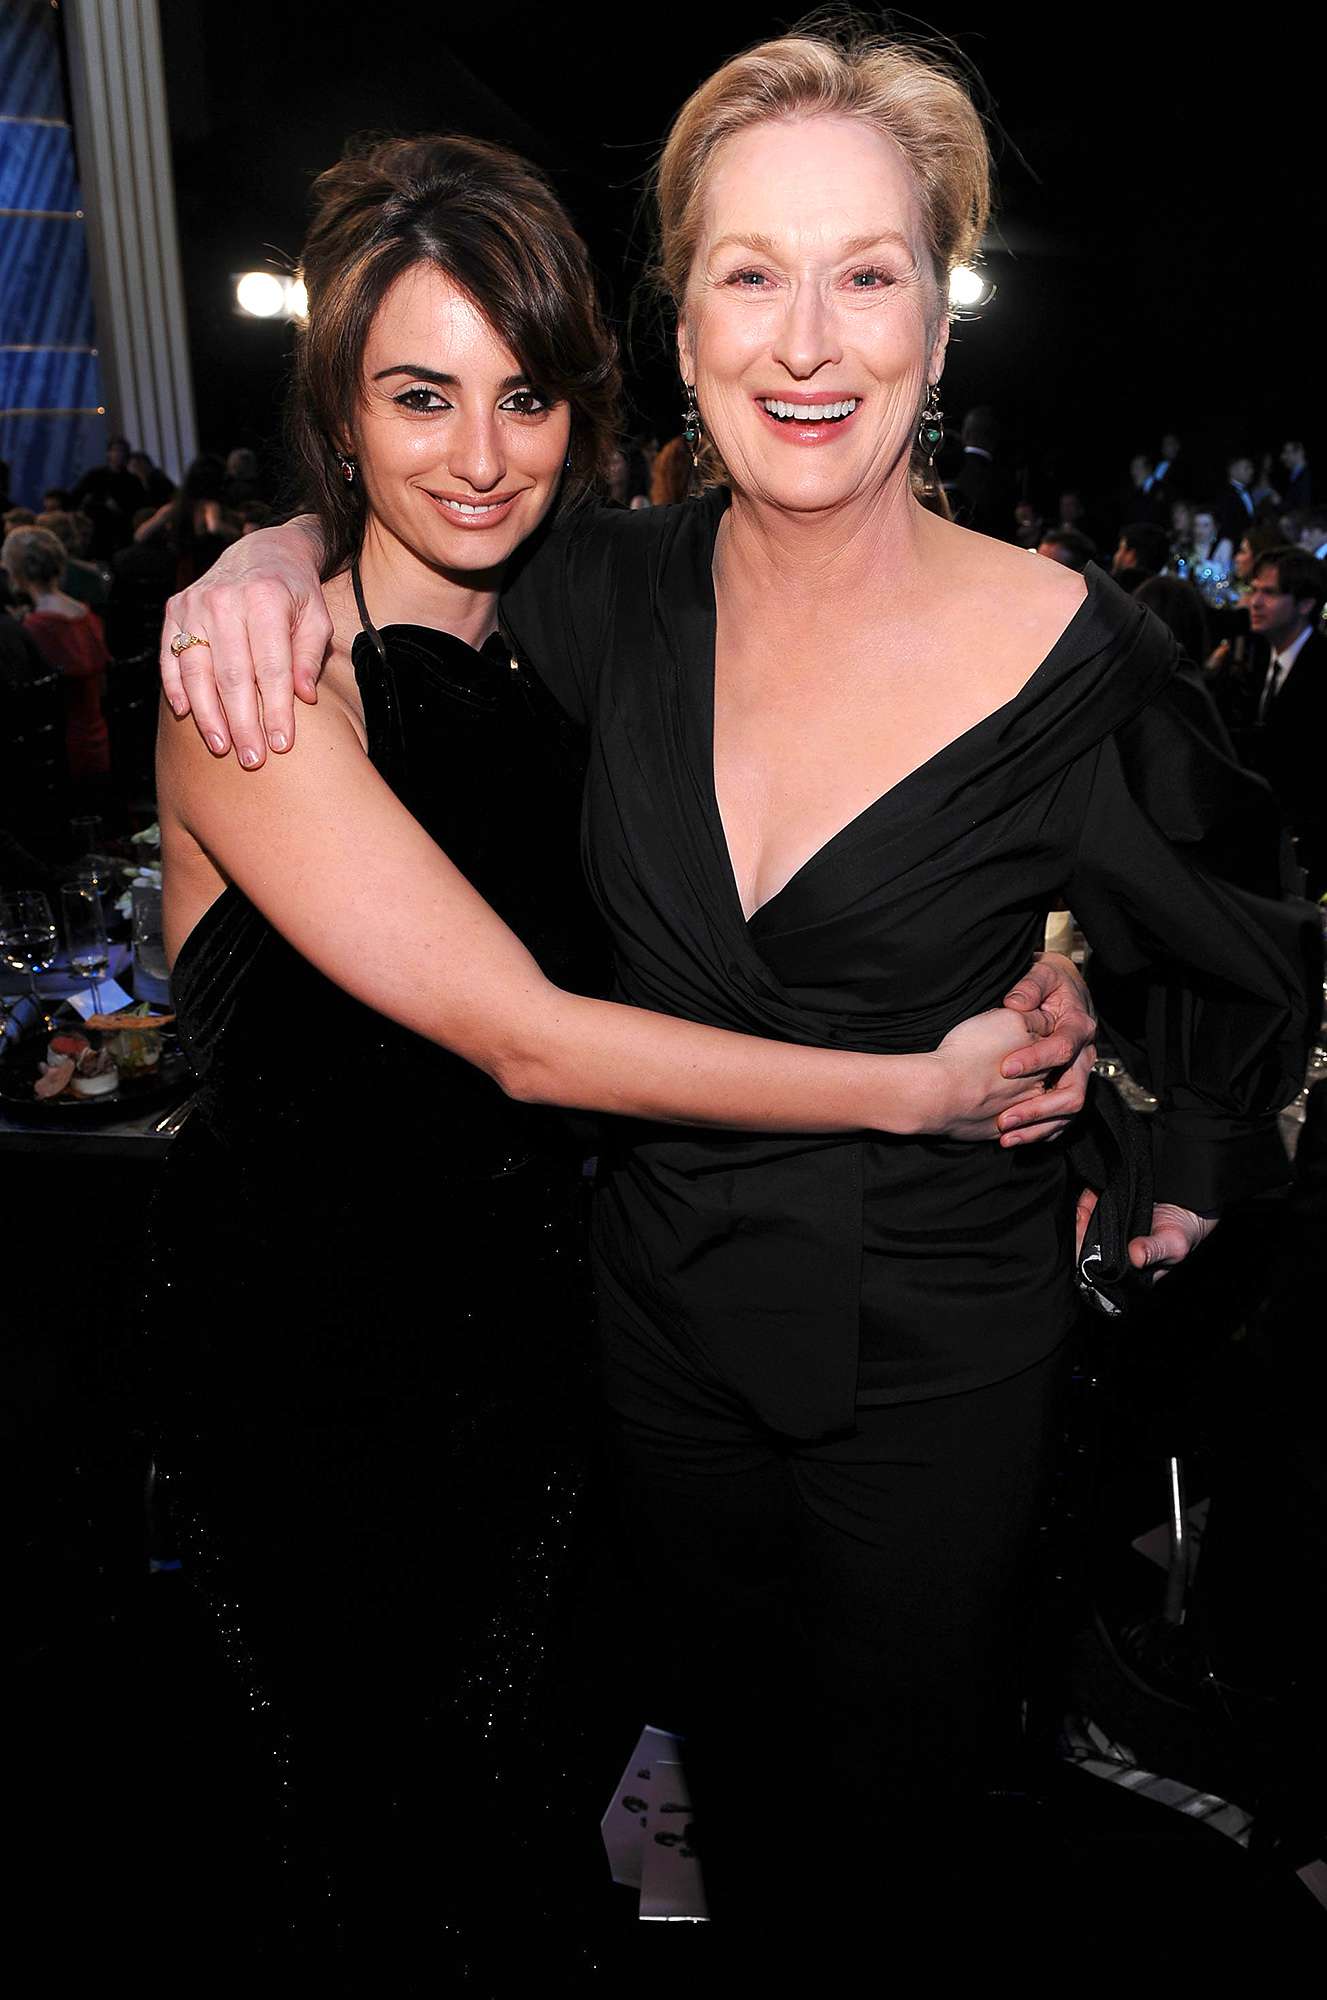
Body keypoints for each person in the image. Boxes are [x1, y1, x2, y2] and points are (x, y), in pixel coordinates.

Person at [162, 26, 1314, 1947]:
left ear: (935, 334)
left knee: (904, 1844)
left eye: (865, 275)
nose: (806, 340)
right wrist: (255, 562)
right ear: (680, 327)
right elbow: (402, 549)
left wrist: (1160, 1137)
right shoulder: (605, 594)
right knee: (720, 1836)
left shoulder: (1073, 648)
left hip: (932, 1360)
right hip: (631, 1354)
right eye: (748, 275)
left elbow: (1238, 901)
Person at [1241, 545, 1327, 894]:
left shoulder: (1321, 669)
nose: (1255, 602)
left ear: (1305, 604)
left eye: (1270, 593)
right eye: (1253, 590)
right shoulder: (1260, 656)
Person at [1, 524, 110, 788]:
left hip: (58, 753)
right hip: (101, 738)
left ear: (16, 573)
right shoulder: (86, 615)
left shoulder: (35, 628)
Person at [1111, 519, 1169, 588]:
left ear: (1132, 555)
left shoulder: (1111, 593)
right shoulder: (1164, 592)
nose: (1117, 556)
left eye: (1120, 549)